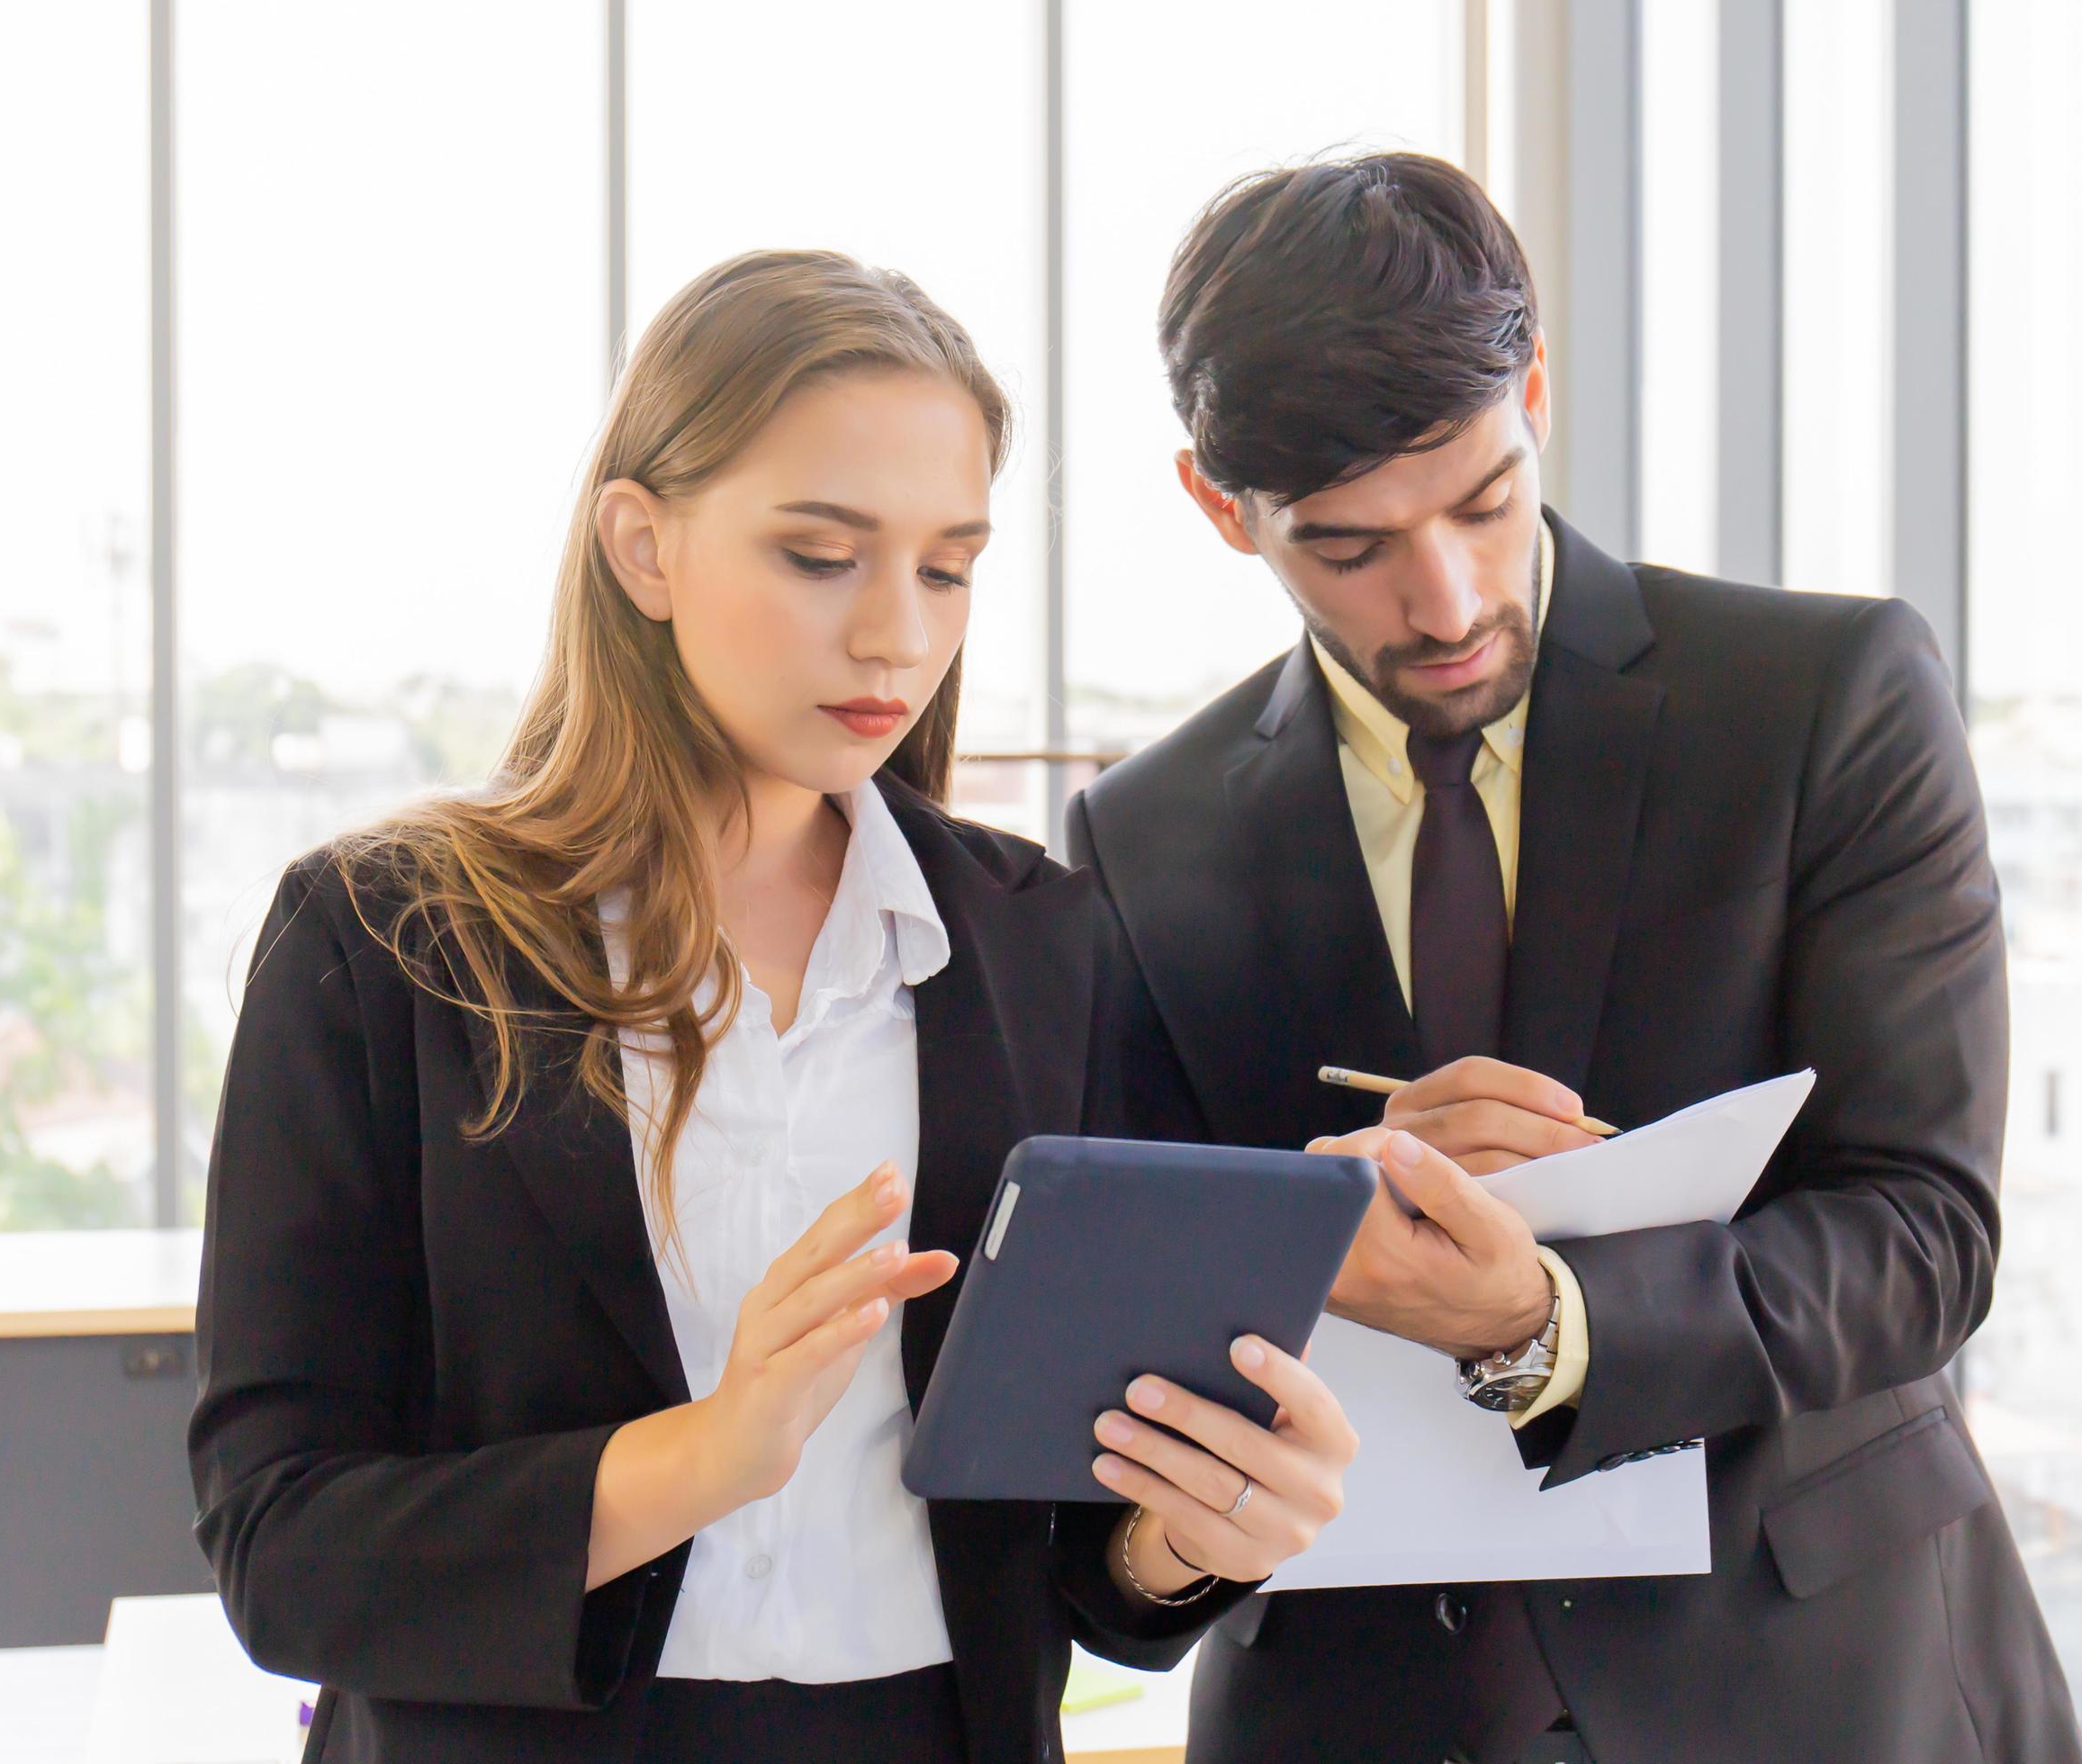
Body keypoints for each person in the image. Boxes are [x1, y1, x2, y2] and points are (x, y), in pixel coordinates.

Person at [187, 250, 1356, 1764]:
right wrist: (702, 1457)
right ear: (642, 546)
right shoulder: (385, 943)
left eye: (947, 567)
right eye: (822, 555)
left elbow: (1073, 1558)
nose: (897, 636)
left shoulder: (1040, 943)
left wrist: (1202, 1531)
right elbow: (281, 1552)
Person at [1069, 153, 2082, 1762]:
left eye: (1483, 497)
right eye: (1350, 548)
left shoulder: (1827, 698)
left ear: (1534, 393)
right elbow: (1123, 1426)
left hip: (1822, 1689)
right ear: (1218, 504)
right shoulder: (1139, 837)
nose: (1449, 598)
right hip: (1355, 1712)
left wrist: (1546, 1316)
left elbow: (1931, 1234)